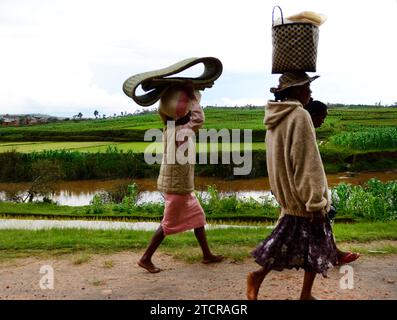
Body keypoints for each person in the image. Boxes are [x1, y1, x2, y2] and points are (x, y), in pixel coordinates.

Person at [247, 72, 338, 300]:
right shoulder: (299, 115)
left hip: (289, 195)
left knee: (300, 245)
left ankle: (304, 293)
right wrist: (316, 201)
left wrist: (280, 192)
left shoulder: (274, 118)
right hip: (304, 199)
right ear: (296, 90)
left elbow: (275, 160)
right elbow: (308, 162)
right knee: (307, 244)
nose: (310, 92)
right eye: (308, 87)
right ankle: (259, 277)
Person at [138, 83, 223, 273]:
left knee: (198, 217)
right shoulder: (182, 132)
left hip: (179, 185)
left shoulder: (169, 128)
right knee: (167, 224)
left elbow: (165, 112)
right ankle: (145, 258)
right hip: (177, 186)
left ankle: (207, 255)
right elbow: (199, 118)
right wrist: (191, 95)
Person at [304, 99, 360, 265]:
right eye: (322, 117)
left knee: (315, 224)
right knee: (314, 222)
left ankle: (333, 253)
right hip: (301, 189)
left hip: (300, 189)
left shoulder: (307, 131)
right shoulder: (303, 133)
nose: (323, 121)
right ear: (313, 115)